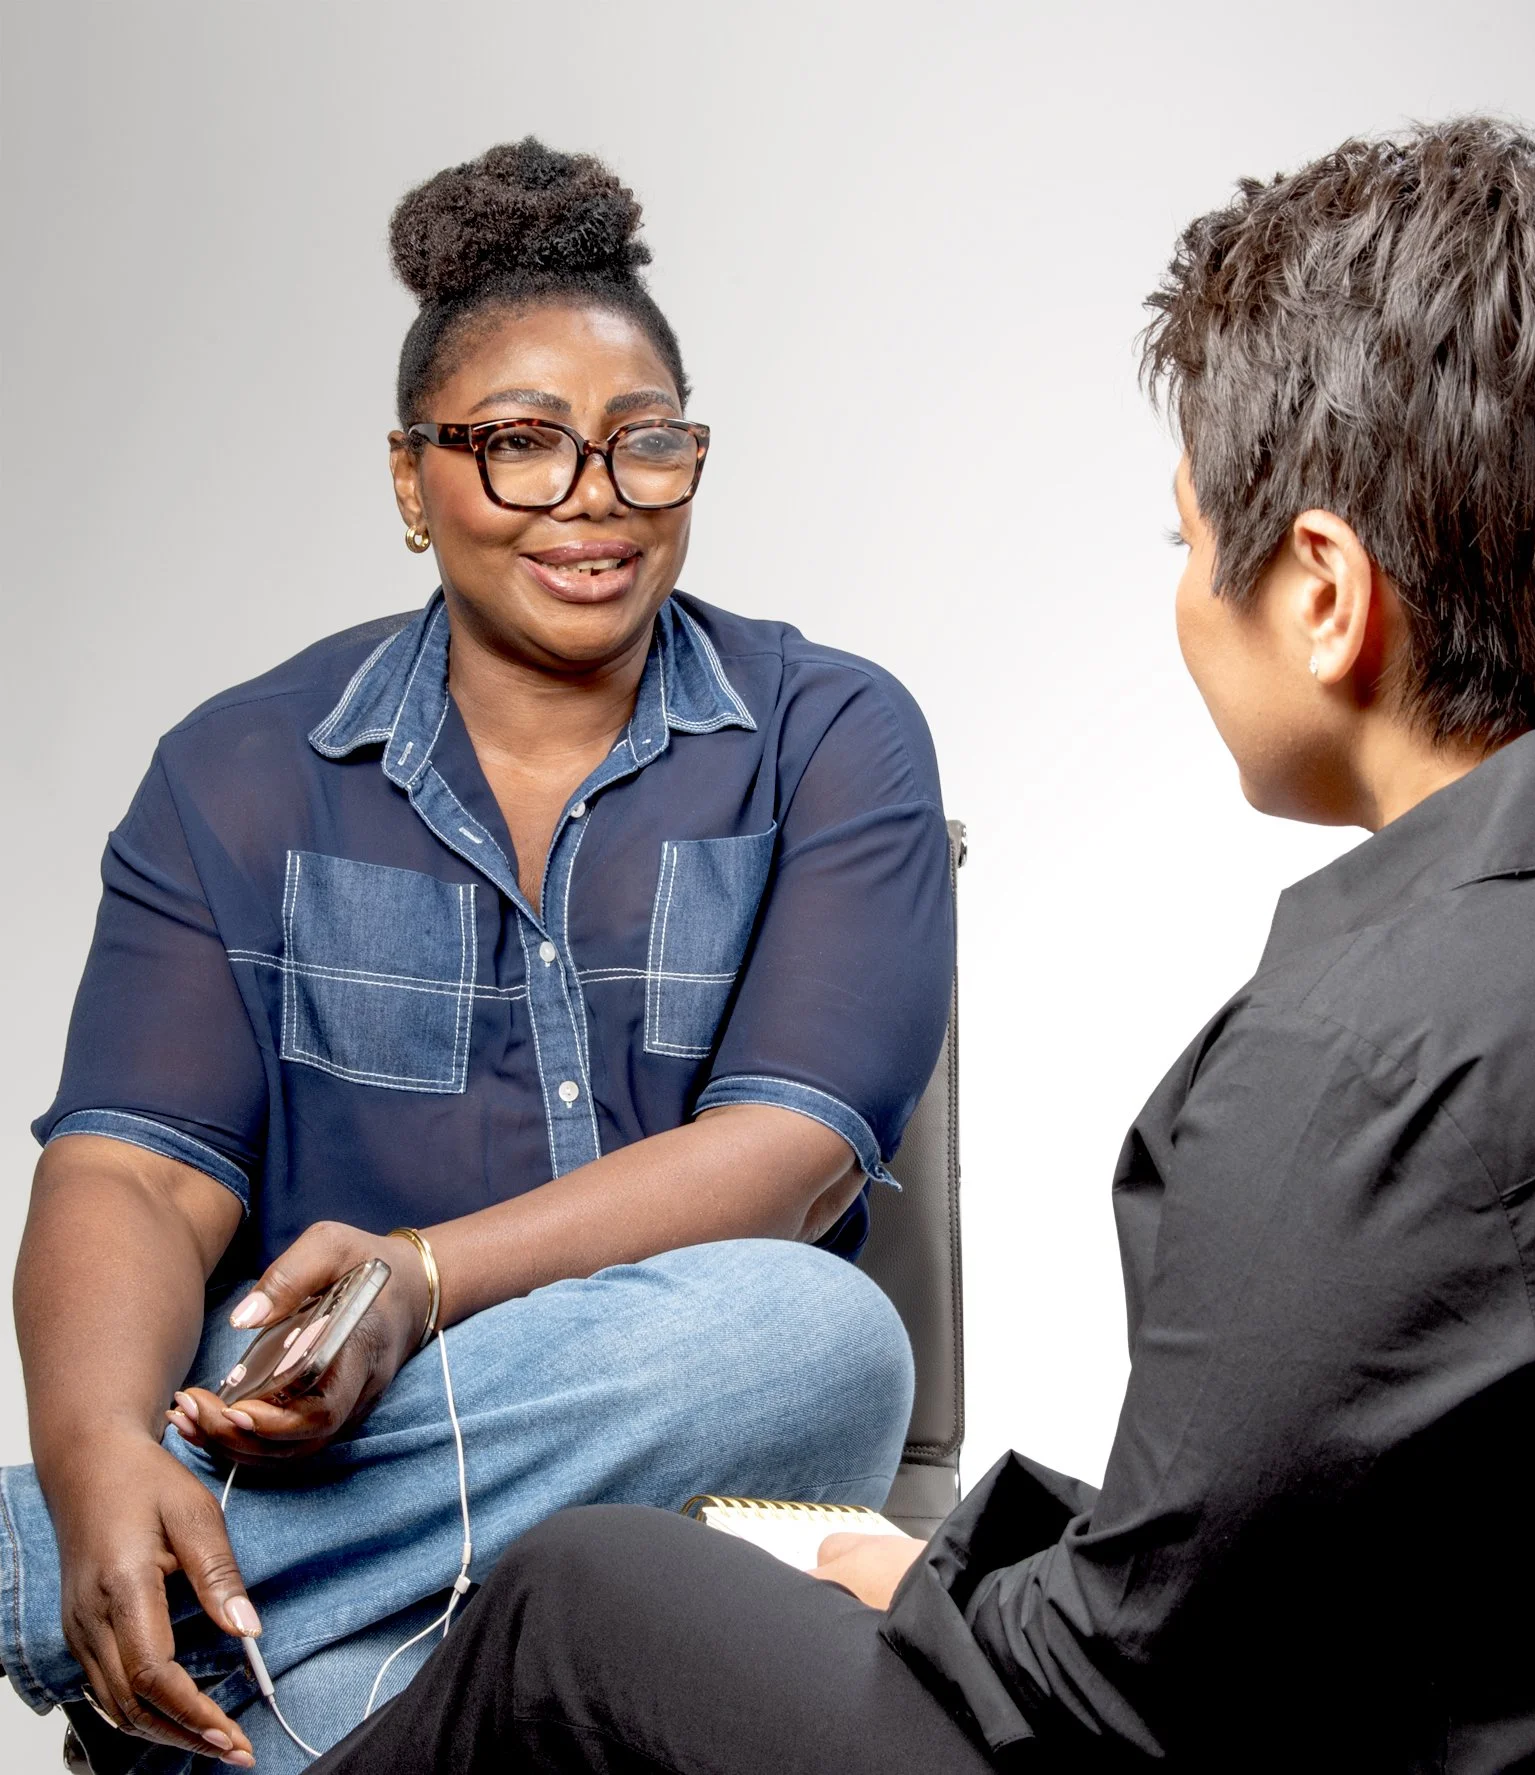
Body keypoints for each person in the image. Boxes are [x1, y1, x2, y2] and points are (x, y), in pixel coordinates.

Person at [307, 117, 1535, 1774]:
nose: (1188, 593)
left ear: (1324, 594)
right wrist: (951, 1581)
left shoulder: (1366, 1058)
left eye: (1191, 542)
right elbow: (1365, 1523)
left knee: (583, 1600)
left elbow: (1100, 1710)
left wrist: (949, 1614)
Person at [2, 140, 953, 1773]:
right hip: (352, 1552)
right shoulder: (239, 774)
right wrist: (95, 1446)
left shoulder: (830, 737)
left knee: (822, 1334)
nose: (594, 495)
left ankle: (49, 1580)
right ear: (408, 478)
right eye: (519, 443)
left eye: (644, 440)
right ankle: (164, 1570)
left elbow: (794, 1150)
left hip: (685, 1507)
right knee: (357, 1682)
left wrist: (423, 1280)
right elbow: (137, 1176)